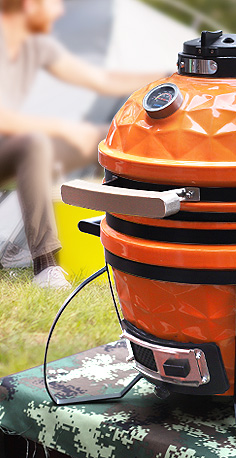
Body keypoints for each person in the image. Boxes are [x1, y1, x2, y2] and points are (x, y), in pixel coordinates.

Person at [0, 0, 166, 288]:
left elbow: (100, 80)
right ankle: (45, 264)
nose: (60, 11)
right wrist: (65, 128)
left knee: (109, 138)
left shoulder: (36, 46)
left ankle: (139, 240)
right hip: (15, 144)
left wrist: (168, 74)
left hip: (11, 149)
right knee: (34, 143)